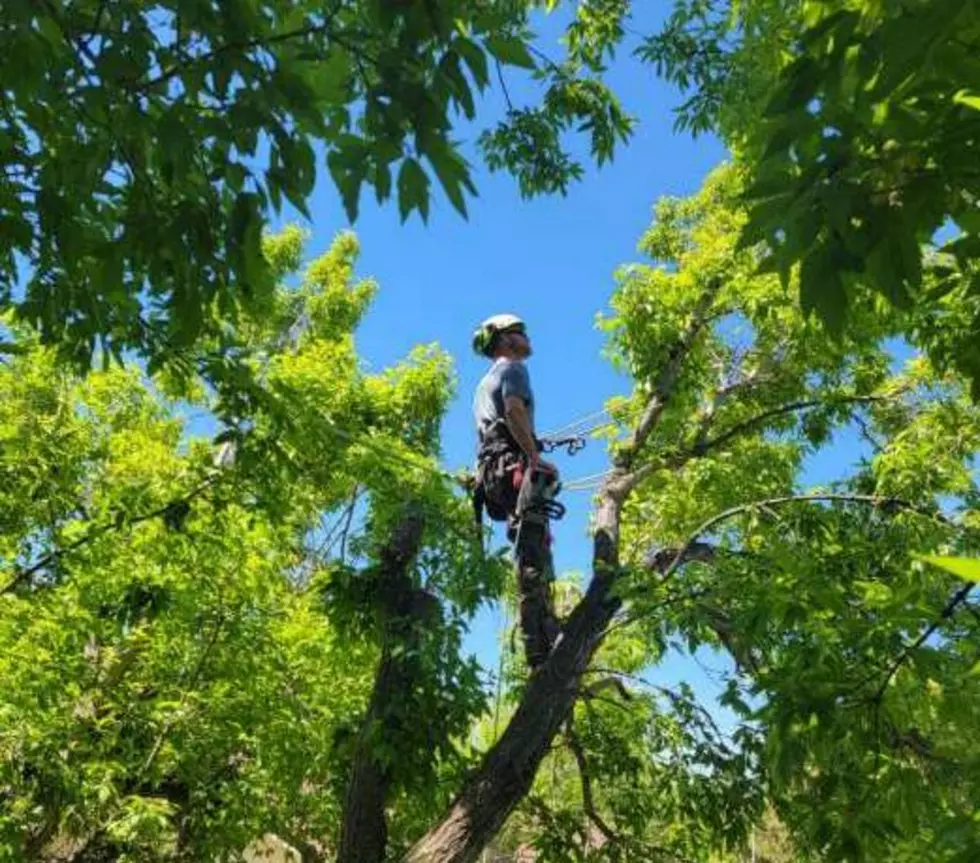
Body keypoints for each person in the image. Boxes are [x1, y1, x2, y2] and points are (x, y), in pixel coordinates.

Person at [471, 313, 561, 667]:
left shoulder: (483, 384)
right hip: (510, 465)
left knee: (529, 543)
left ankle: (538, 639)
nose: (527, 337)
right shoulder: (513, 369)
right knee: (534, 552)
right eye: (520, 332)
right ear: (505, 339)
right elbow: (513, 411)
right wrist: (534, 456)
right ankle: (541, 642)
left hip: (493, 474)